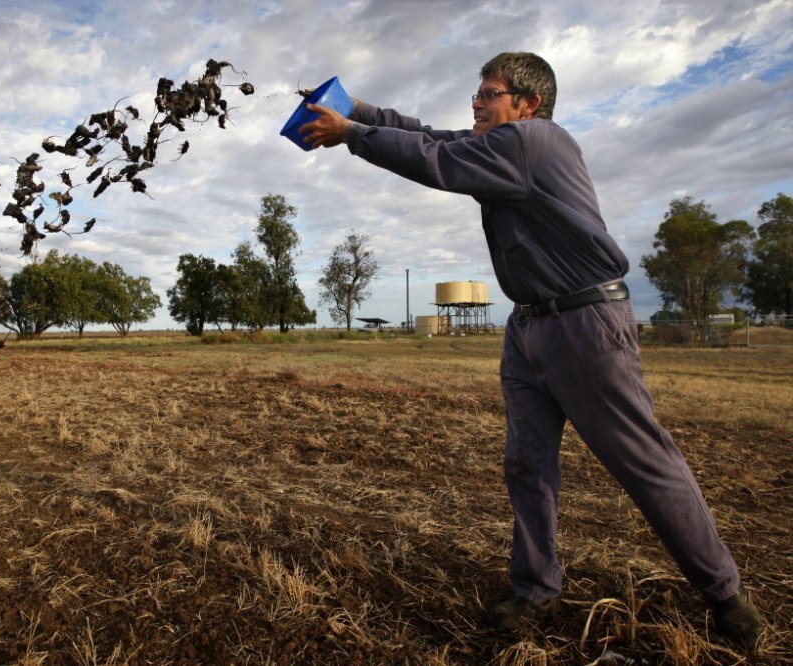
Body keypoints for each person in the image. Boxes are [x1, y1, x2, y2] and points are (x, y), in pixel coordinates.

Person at [300, 52, 765, 651]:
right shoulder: (498, 144)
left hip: (586, 325)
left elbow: (433, 159)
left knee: (644, 464)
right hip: (528, 327)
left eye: (489, 93)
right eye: (477, 91)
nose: (476, 101)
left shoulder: (531, 142)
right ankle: (535, 588)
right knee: (527, 463)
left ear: (528, 103)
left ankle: (724, 593)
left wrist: (353, 135)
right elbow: (427, 136)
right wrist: (356, 108)